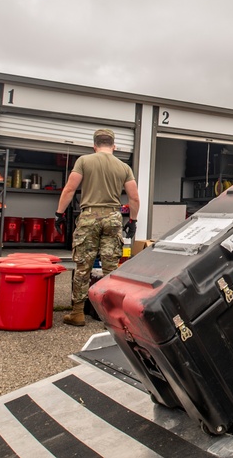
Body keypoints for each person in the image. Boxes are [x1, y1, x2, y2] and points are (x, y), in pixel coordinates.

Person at [56, 128, 140, 327]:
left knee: (83, 267)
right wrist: (133, 221)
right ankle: (111, 318)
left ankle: (77, 313)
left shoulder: (84, 161)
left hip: (89, 217)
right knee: (110, 268)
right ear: (114, 146)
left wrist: (59, 214)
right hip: (113, 217)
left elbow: (70, 188)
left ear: (94, 146)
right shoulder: (123, 167)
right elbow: (134, 197)